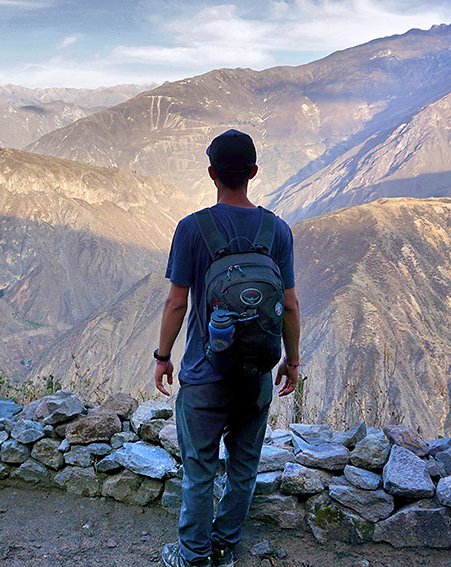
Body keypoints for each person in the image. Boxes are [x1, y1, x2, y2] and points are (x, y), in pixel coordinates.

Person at [154, 129, 301, 567]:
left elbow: (177, 301)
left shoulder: (192, 229)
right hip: (256, 373)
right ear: (253, 172)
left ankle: (194, 556)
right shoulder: (278, 231)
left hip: (205, 376)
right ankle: (224, 547)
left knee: (199, 471)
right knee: (243, 468)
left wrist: (163, 357)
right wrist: (292, 361)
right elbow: (289, 305)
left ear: (212, 174)